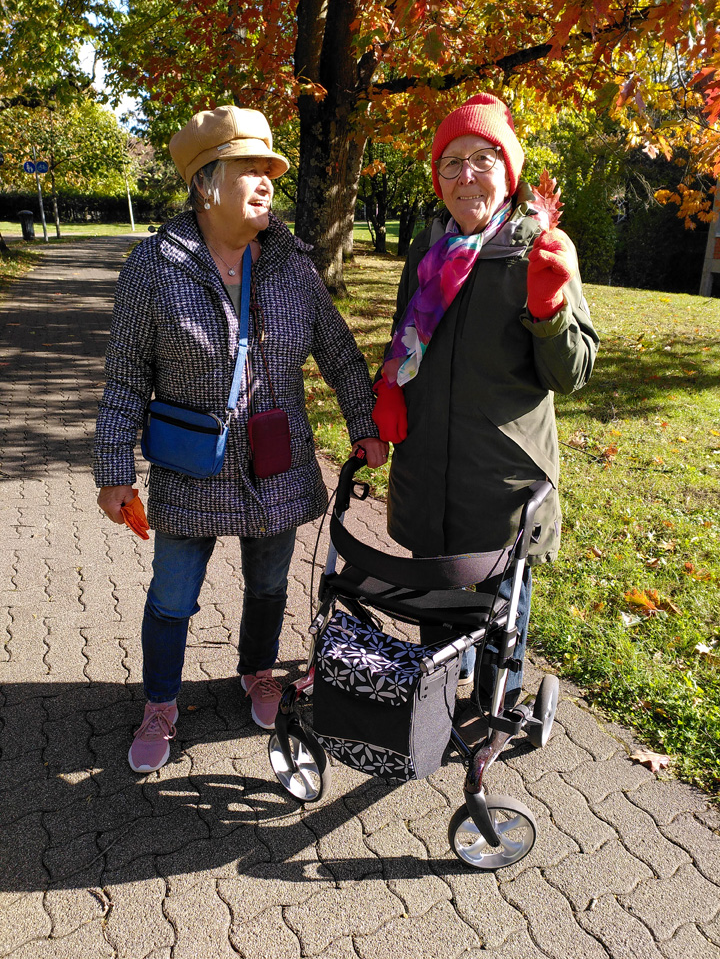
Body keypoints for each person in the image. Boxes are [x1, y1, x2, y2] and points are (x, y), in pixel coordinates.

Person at [94, 105, 387, 774]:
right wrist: (114, 472)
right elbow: (123, 379)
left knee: (269, 584)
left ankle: (258, 671)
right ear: (205, 182)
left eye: (270, 170)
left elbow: (340, 352)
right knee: (172, 597)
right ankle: (161, 704)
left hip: (276, 461)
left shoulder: (290, 265)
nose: (265, 182)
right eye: (248, 169)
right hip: (190, 465)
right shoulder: (154, 268)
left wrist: (365, 427)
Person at [372, 92, 598, 705]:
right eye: (451, 162)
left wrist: (549, 310)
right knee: (434, 591)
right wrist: (387, 389)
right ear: (437, 179)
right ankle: (441, 694)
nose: (466, 175)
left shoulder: (540, 247)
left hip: (502, 479)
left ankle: (496, 703)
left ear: (509, 170)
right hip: (427, 465)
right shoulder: (425, 248)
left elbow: (572, 373)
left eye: (483, 158)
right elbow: (404, 334)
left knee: (502, 607)